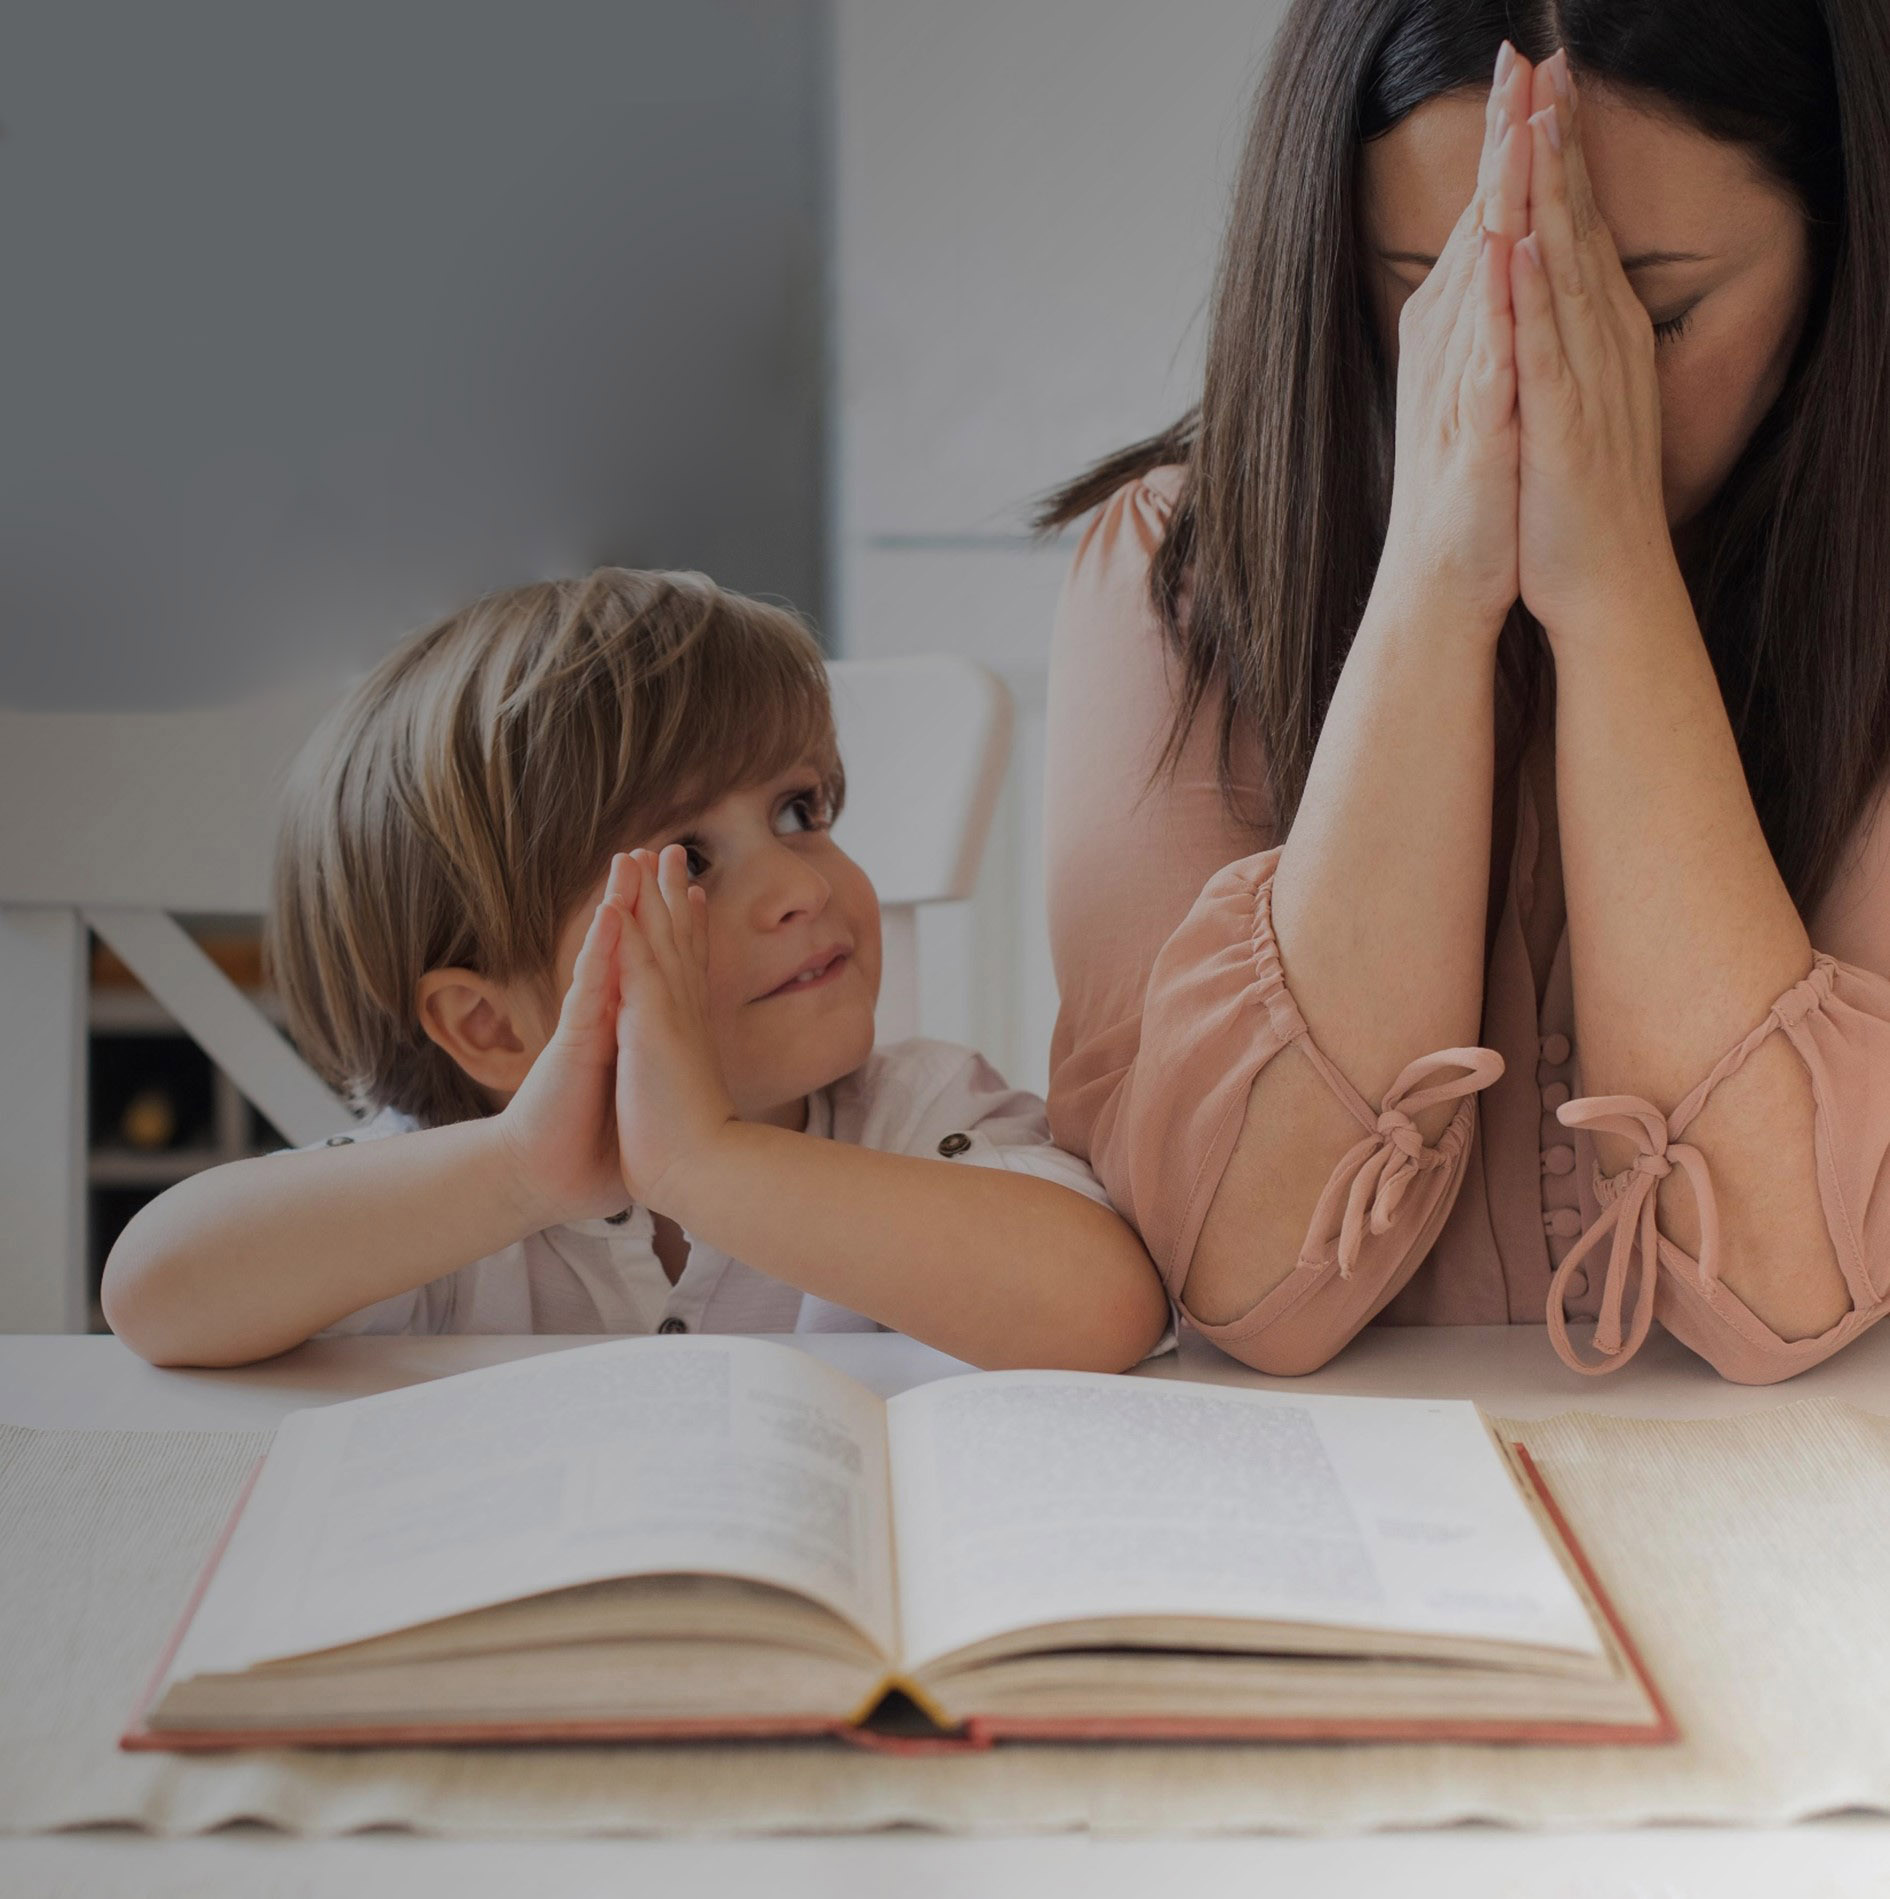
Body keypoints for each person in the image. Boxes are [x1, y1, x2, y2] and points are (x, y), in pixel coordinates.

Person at [1039, 0, 1890, 1381]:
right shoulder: (1170, 573)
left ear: (1838, 248)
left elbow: (1782, 1280)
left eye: (1652, 313)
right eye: (1436, 300)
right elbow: (1251, 1277)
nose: (1536, 373)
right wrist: (1437, 582)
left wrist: (1608, 585)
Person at [102, 569, 1169, 1370]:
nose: (799, 885)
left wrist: (703, 1162)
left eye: (798, 811)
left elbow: (1106, 1306)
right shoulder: (445, 1193)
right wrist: (524, 1168)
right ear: (490, 1028)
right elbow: (154, 1293)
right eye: (689, 862)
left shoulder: (914, 1113)